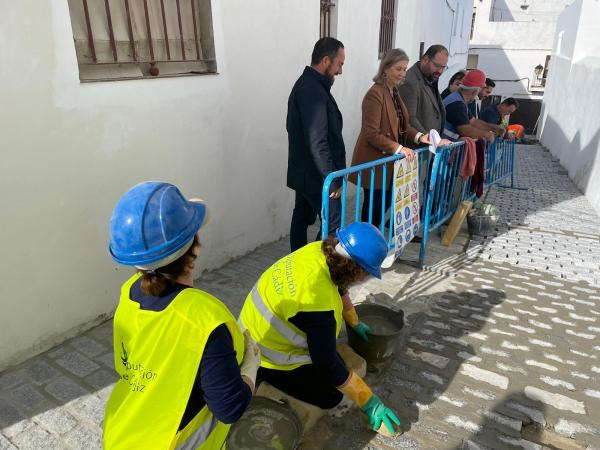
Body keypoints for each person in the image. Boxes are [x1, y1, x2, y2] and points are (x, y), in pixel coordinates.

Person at [103, 181, 261, 449]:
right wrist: (249, 369)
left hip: (122, 434)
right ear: (194, 251)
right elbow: (229, 408)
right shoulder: (205, 319)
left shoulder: (128, 292)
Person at [239, 222, 401, 435]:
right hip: (266, 357)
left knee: (338, 366)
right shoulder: (318, 303)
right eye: (368, 273)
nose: (367, 278)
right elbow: (326, 364)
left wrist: (354, 321)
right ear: (357, 270)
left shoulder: (319, 251)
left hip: (252, 330)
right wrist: (368, 401)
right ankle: (261, 380)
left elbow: (340, 286)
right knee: (331, 395)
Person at [348, 48, 431, 229]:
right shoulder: (375, 93)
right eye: (398, 69)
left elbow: (402, 126)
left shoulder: (394, 92)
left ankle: (372, 241)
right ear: (385, 69)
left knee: (381, 206)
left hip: (389, 162)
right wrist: (400, 149)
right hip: (376, 162)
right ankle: (365, 246)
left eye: (405, 69)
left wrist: (420, 137)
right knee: (373, 209)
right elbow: (371, 133)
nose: (403, 73)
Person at [287, 37, 347, 252]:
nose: (340, 71)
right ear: (325, 60)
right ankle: (319, 271)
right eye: (339, 64)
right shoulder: (311, 89)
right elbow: (317, 140)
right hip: (318, 176)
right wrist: (332, 179)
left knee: (301, 219)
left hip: (308, 173)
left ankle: (299, 264)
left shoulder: (311, 86)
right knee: (331, 228)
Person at [398, 44, 449, 135]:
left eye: (443, 67)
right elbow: (409, 119)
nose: (440, 71)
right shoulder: (410, 82)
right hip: (418, 146)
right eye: (437, 66)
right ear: (425, 60)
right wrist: (429, 139)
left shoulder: (430, 76)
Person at [442, 69, 496, 143]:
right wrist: (486, 134)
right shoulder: (457, 103)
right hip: (440, 149)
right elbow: (465, 130)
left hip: (444, 147)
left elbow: (473, 121)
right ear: (476, 89)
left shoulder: (459, 100)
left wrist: (493, 128)